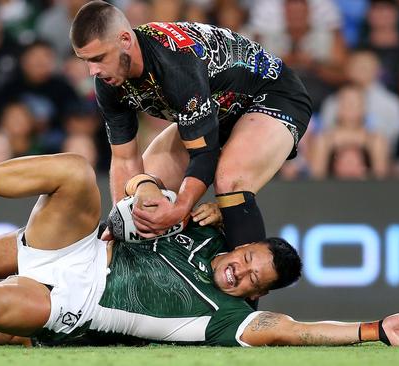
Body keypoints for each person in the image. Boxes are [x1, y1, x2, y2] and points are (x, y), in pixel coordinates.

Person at [0, 147, 399, 349]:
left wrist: (373, 330)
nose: (237, 269)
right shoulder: (207, 226)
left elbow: (296, 331)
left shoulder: (233, 319)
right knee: (75, 172)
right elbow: (158, 165)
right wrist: (147, 186)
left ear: (255, 293)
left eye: (248, 277)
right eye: (247, 257)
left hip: (80, 303)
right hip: (83, 247)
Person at [69, 1, 312, 255]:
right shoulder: (108, 81)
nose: (92, 71)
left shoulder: (175, 65)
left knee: (230, 180)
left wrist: (179, 209)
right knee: (147, 191)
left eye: (98, 58)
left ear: (125, 40)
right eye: (86, 61)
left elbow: (203, 155)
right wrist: (123, 219)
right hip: (215, 107)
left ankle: (247, 292)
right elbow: (124, 158)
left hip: (273, 95)